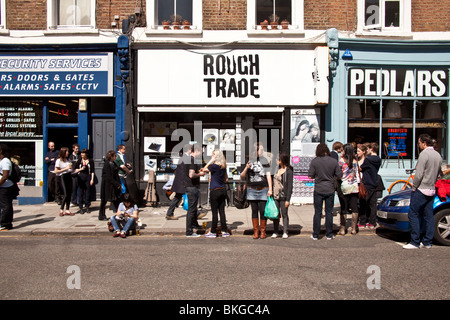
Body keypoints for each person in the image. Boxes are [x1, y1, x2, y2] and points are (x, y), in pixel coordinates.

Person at [404, 134, 442, 249]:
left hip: (421, 188)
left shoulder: (424, 154)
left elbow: (419, 174)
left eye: (419, 143)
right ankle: (427, 242)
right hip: (431, 188)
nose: (419, 145)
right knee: (428, 215)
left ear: (424, 143)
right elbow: (439, 174)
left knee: (413, 214)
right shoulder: (438, 155)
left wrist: (414, 187)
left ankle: (414, 241)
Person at [308, 143, 342, 240]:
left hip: (318, 189)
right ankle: (329, 234)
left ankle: (315, 234)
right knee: (329, 212)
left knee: (318, 212)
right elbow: (339, 175)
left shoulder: (315, 161)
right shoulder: (334, 161)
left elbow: (310, 176)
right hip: (330, 189)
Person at [172, 144, 206, 237]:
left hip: (190, 186)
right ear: (197, 151)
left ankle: (194, 226)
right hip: (192, 187)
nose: (202, 153)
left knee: (193, 209)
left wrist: (199, 172)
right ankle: (189, 232)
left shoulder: (190, 160)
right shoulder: (192, 160)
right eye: (201, 151)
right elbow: (191, 175)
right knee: (191, 210)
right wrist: (201, 174)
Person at [240, 142, 273, 239]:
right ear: (256, 150)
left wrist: (270, 189)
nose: (263, 151)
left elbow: (268, 175)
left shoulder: (265, 160)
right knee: (254, 211)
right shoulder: (248, 160)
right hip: (251, 189)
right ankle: (255, 231)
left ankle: (263, 231)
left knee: (262, 211)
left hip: (263, 188)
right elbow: (242, 176)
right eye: (261, 150)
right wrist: (246, 168)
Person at [202, 149, 230, 238]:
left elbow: (204, 169)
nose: (211, 156)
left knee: (214, 212)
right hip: (223, 190)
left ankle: (213, 231)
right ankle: (224, 231)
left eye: (212, 155)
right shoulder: (223, 166)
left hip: (215, 190)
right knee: (222, 211)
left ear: (216, 156)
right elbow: (226, 179)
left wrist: (210, 161)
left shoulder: (214, 166)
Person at [359, 142, 381, 230]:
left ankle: (362, 222)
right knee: (373, 204)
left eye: (368, 149)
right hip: (375, 182)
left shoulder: (368, 159)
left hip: (367, 182)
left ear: (371, 149)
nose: (367, 150)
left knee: (363, 203)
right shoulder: (378, 159)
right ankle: (372, 222)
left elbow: (361, 168)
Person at [338, 144, 360, 235]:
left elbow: (338, 173)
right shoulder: (355, 161)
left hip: (344, 185)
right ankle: (354, 229)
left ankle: (343, 229)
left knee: (344, 207)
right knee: (354, 207)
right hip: (354, 185)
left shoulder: (342, 161)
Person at [271, 152, 293, 239]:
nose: (277, 161)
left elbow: (290, 186)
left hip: (284, 196)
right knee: (275, 214)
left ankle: (285, 231)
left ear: (283, 161)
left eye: (278, 160)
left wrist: (288, 199)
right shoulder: (276, 169)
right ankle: (276, 231)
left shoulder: (289, 171)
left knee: (284, 214)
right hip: (275, 195)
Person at [99, 150, 122, 221]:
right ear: (111, 157)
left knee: (116, 200)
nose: (115, 157)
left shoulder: (113, 163)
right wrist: (117, 184)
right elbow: (109, 177)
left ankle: (119, 214)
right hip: (107, 185)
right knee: (104, 201)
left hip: (112, 186)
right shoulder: (107, 164)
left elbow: (116, 169)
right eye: (114, 155)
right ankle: (101, 215)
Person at [74, 148, 95, 214]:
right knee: (80, 192)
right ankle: (81, 207)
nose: (82, 154)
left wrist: (92, 179)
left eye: (83, 153)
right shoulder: (79, 161)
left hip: (87, 177)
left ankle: (87, 206)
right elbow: (75, 170)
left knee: (87, 192)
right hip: (80, 177)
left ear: (86, 154)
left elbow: (92, 171)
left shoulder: (90, 161)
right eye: (81, 153)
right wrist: (81, 169)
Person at [0, 144, 16, 231]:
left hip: (5, 187)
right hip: (3, 187)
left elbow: (5, 175)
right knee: (4, 205)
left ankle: (5, 224)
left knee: (5, 206)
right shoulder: (2, 161)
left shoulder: (5, 161)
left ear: (1, 151)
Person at [54, 147, 73, 216]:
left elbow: (70, 169)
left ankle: (67, 209)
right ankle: (61, 209)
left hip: (69, 176)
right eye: (67, 152)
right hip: (62, 177)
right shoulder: (58, 161)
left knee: (69, 193)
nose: (68, 153)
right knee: (65, 194)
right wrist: (66, 168)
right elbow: (56, 171)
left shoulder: (68, 160)